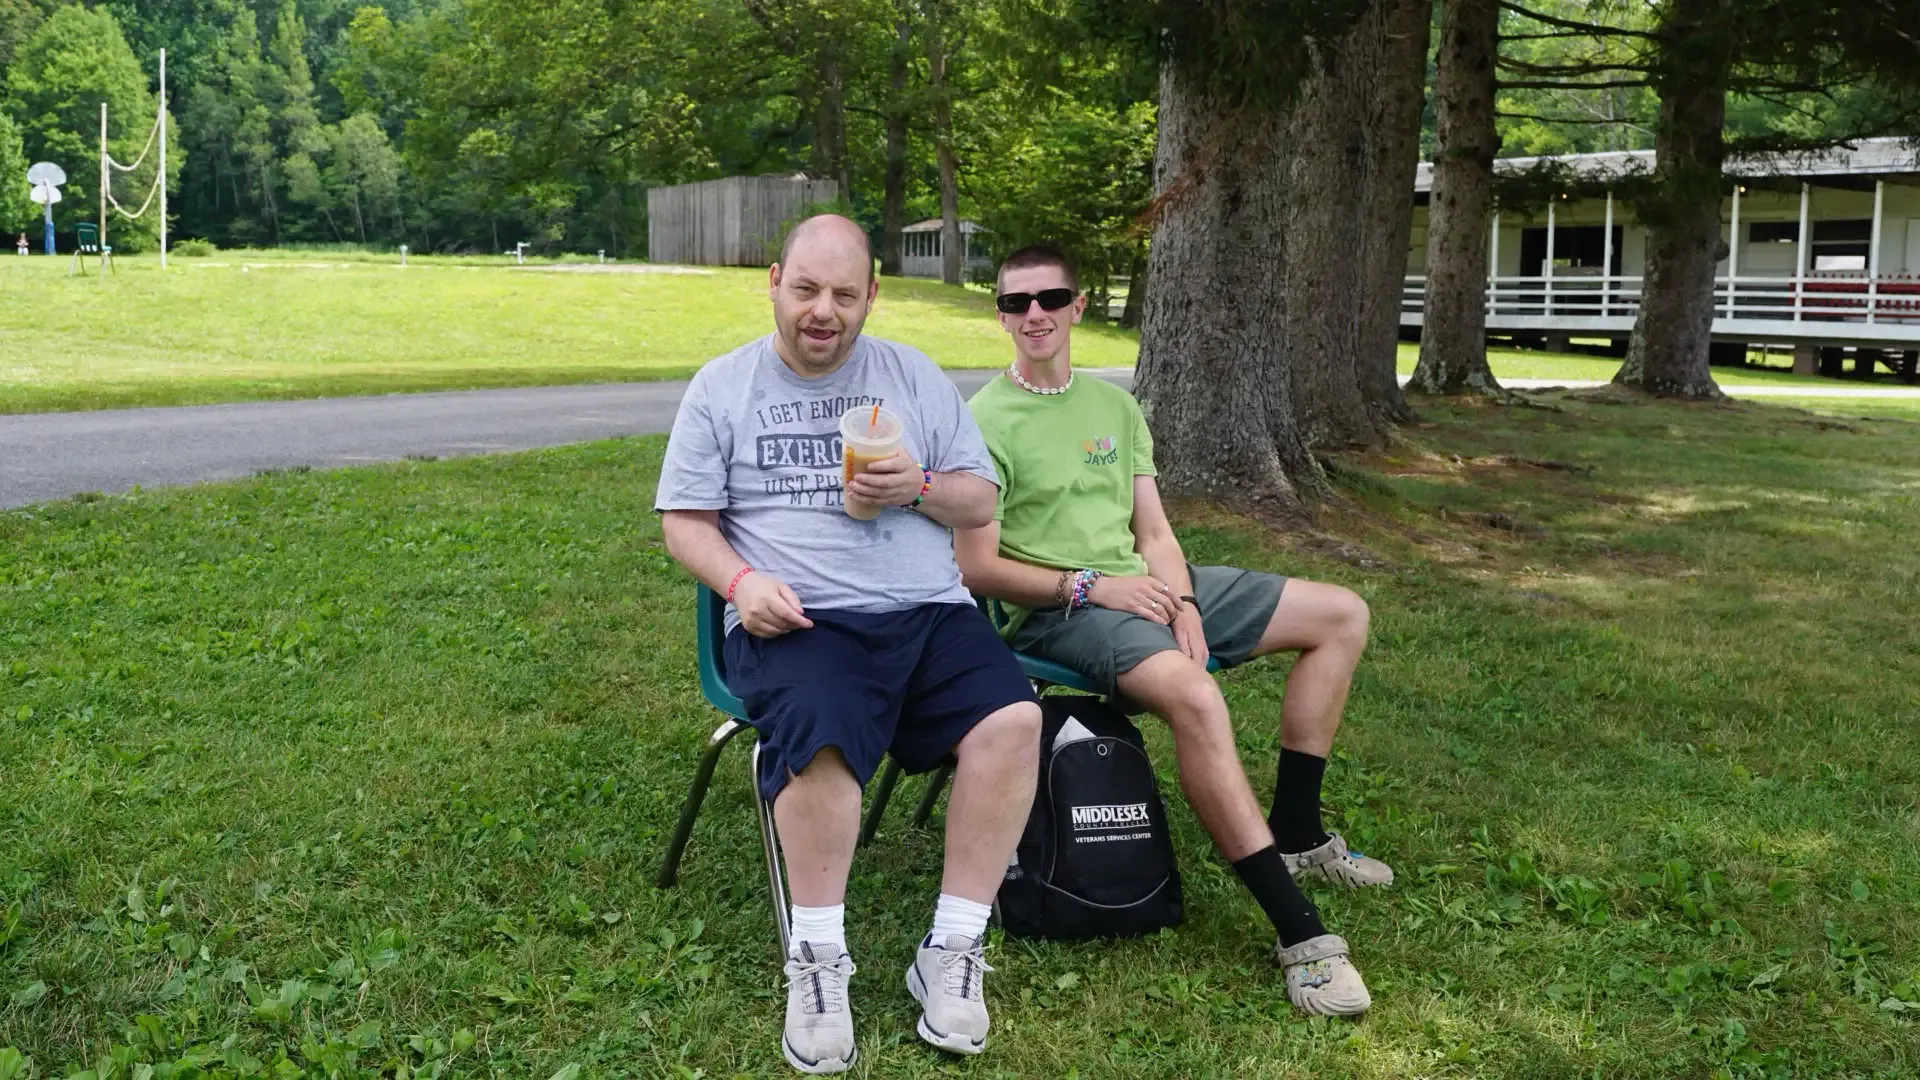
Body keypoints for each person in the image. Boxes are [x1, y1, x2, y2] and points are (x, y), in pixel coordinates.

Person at [956, 245, 1392, 1018]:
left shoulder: (1114, 407)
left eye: (1050, 298)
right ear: (999, 314)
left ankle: (1297, 830)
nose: (1034, 315)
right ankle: (1302, 936)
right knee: (1194, 697)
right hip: (1063, 611)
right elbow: (978, 567)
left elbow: (1154, 531)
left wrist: (1182, 601)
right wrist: (1091, 584)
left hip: (1148, 591)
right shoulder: (982, 420)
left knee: (1341, 614)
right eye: (1015, 302)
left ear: (1078, 306)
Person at [655, 215, 1042, 1073]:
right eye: (805, 289)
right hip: (801, 616)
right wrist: (742, 584)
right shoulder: (724, 387)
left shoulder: (911, 376)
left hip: (929, 612)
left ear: (871, 295)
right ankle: (818, 959)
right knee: (821, 732)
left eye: (843, 293)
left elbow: (978, 503)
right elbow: (684, 523)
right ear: (774, 283)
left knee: (1014, 720)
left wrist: (922, 485)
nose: (822, 311)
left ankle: (950, 949)